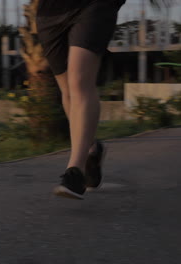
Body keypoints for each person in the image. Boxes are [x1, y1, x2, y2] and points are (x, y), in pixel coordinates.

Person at [35, 0, 126, 199]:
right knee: (67, 90)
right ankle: (91, 149)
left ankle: (75, 172)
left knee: (79, 81)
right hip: (49, 12)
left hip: (93, 5)